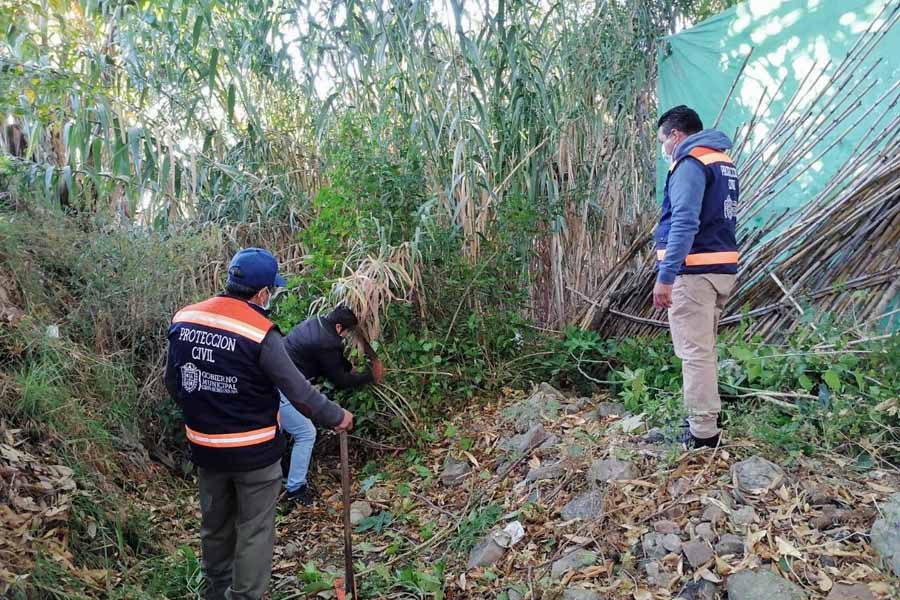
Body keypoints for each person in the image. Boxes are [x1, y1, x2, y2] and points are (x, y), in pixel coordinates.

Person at [164, 247, 353, 600]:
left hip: (206, 450)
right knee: (254, 531)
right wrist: (337, 416)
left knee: (215, 527)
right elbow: (299, 391)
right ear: (263, 292)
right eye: (272, 291)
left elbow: (174, 384)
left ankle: (215, 593)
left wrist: (209, 417)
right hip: (254, 455)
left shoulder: (185, 318)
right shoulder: (261, 333)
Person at [652, 105, 739, 449]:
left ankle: (703, 434)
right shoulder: (721, 161)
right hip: (719, 269)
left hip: (695, 272)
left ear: (676, 134)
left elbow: (685, 222)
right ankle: (703, 422)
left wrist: (666, 274)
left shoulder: (690, 163)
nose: (663, 149)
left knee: (694, 353)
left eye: (663, 140)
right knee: (703, 349)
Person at [278, 305, 383, 507]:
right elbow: (339, 381)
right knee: (306, 433)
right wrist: (370, 376)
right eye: (345, 333)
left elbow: (328, 362)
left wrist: (345, 367)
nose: (344, 337)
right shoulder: (328, 341)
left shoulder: (316, 323)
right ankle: (295, 490)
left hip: (275, 378)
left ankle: (280, 472)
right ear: (338, 327)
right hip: (282, 385)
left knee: (278, 430)